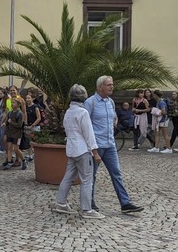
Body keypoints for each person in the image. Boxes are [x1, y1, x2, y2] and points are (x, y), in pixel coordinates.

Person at [84, 75, 144, 214]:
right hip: (96, 145)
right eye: (108, 85)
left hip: (110, 144)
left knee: (116, 173)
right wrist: (91, 147)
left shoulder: (110, 102)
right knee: (91, 175)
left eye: (112, 84)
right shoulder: (90, 102)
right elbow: (85, 125)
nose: (112, 86)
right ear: (100, 87)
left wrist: (114, 121)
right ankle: (90, 202)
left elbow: (113, 117)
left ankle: (125, 203)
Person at [52, 84, 103, 219]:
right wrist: (95, 153)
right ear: (84, 97)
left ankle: (61, 202)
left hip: (71, 149)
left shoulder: (68, 112)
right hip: (82, 150)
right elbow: (89, 134)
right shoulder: (83, 112)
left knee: (68, 177)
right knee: (87, 179)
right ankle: (86, 209)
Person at [2, 98, 26, 170]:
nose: (12, 104)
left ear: (18, 105)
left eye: (14, 103)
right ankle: (9, 162)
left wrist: (11, 122)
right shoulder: (10, 113)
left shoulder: (20, 114)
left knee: (16, 149)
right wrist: (5, 126)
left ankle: (24, 160)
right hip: (10, 133)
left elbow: (19, 125)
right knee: (9, 148)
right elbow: (7, 123)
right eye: (12, 103)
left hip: (17, 134)